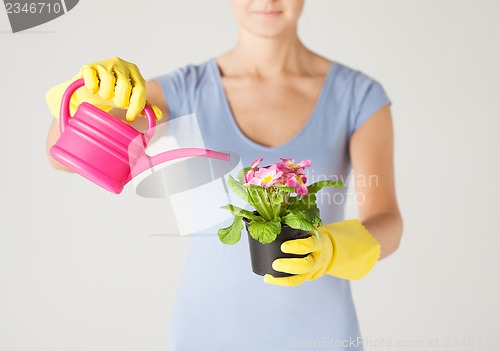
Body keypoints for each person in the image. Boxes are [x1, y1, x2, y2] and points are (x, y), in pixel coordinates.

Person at [45, 1, 403, 350]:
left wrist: (331, 249)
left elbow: (387, 223)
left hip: (321, 333)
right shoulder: (183, 91)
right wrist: (92, 95)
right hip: (207, 332)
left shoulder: (359, 95)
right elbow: (62, 156)